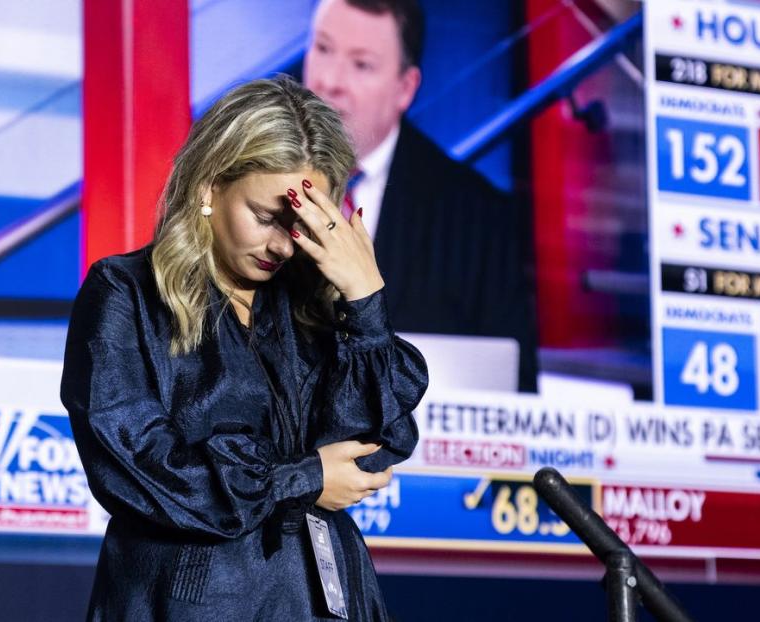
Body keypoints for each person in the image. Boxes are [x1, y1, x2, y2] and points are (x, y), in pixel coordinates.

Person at [60, 77, 428, 620]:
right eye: (265, 217)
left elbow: (378, 445)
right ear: (209, 187)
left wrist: (365, 302)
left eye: (300, 226)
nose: (282, 244)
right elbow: (142, 472)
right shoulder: (127, 293)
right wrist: (302, 478)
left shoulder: (313, 307)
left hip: (327, 600)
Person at [303, 0, 539, 391]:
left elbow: (515, 388)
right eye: (323, 49)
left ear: (405, 88)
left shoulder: (478, 219)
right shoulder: (248, 181)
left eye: (361, 64)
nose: (331, 81)